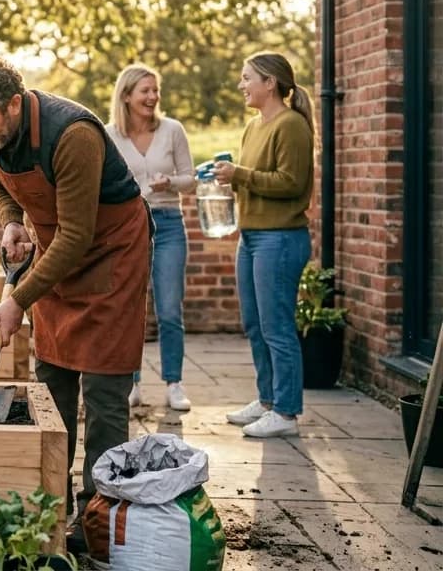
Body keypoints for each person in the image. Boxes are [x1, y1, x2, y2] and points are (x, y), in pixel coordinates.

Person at [0, 56, 150, 556]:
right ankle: (47, 507)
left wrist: (18, 297)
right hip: (54, 253)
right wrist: (15, 219)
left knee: (104, 391)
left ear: (14, 104)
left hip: (109, 252)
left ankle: (97, 519)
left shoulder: (73, 134)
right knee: (52, 379)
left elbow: (79, 234)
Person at [215, 52, 315, 439]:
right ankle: (268, 399)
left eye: (247, 78)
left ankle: (287, 412)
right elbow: (258, 178)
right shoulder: (253, 127)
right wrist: (232, 177)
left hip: (281, 238)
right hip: (252, 236)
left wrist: (241, 174)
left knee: (277, 327)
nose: (242, 85)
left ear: (269, 82)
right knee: (254, 324)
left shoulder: (290, 125)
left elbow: (290, 182)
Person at [106, 64, 196, 412]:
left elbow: (191, 178)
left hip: (169, 223)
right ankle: (132, 382)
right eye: (145, 90)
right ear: (126, 95)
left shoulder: (172, 130)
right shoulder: (109, 134)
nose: (153, 96)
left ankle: (174, 383)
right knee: (129, 308)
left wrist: (170, 183)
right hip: (129, 227)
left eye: (155, 90)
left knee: (170, 309)